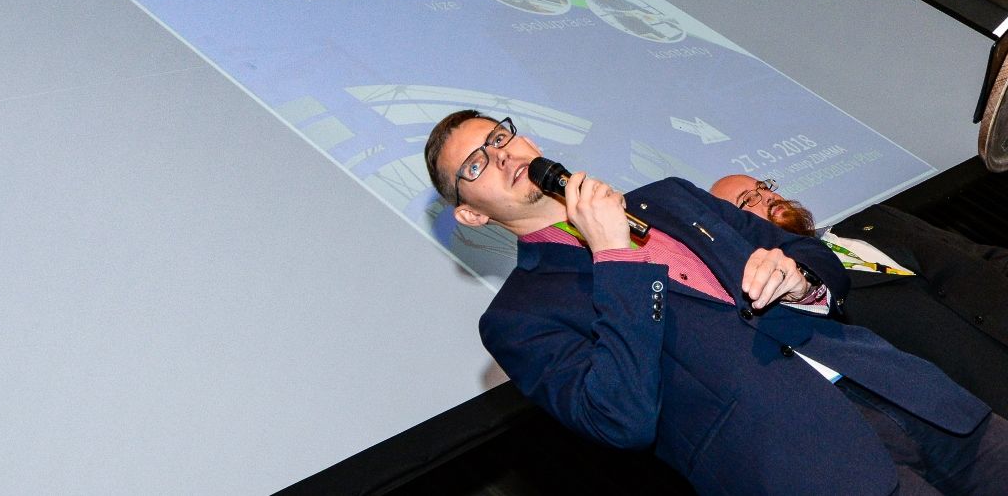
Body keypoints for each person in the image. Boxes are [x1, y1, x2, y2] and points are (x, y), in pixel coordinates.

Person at [424, 110, 1008, 495]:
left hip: (915, 398)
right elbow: (618, 417)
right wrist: (614, 256)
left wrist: (801, 279)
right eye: (476, 164)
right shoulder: (518, 318)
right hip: (806, 471)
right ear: (471, 214)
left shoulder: (670, 197)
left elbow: (811, 251)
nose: (501, 156)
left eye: (499, 137)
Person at [710, 174, 1008, 418]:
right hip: (980, 400)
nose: (767, 196)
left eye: (763, 186)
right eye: (748, 199)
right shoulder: (798, 299)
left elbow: (981, 256)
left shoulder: (877, 218)